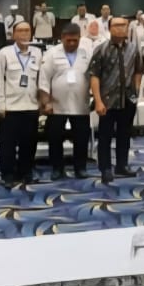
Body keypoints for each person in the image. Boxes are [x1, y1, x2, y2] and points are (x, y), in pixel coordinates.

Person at [89, 16, 142, 183]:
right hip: (107, 101)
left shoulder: (134, 49)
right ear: (110, 28)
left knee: (124, 134)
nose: (121, 28)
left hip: (128, 99)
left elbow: (139, 70)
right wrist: (97, 100)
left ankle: (122, 165)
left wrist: (136, 90)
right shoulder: (101, 49)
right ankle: (105, 168)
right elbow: (94, 76)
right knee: (105, 136)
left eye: (124, 25)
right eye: (117, 25)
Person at [39, 24, 92, 180]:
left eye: (75, 41)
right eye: (68, 40)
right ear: (62, 38)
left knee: (81, 138)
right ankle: (57, 168)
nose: (71, 44)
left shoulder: (86, 54)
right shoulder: (51, 53)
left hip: (81, 103)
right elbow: (44, 79)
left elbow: (93, 77)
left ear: (79, 38)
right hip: (56, 104)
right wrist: (46, 102)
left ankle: (80, 168)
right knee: (55, 138)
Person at [0, 21, 41, 187]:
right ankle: (7, 174)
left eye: (27, 31)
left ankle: (26, 172)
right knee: (8, 144)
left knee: (29, 143)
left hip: (31, 106)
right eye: (20, 31)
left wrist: (42, 102)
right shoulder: (4, 53)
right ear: (13, 34)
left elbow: (40, 80)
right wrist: (0, 103)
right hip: (10, 107)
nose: (24, 34)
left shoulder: (37, 53)